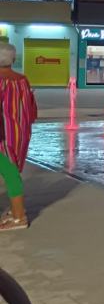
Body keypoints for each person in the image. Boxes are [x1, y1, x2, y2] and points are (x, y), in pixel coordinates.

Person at [0, 43, 38, 231]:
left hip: (3, 136)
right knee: (12, 170)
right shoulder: (22, 79)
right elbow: (30, 107)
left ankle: (19, 217)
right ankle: (15, 211)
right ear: (13, 59)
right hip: (20, 132)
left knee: (10, 173)